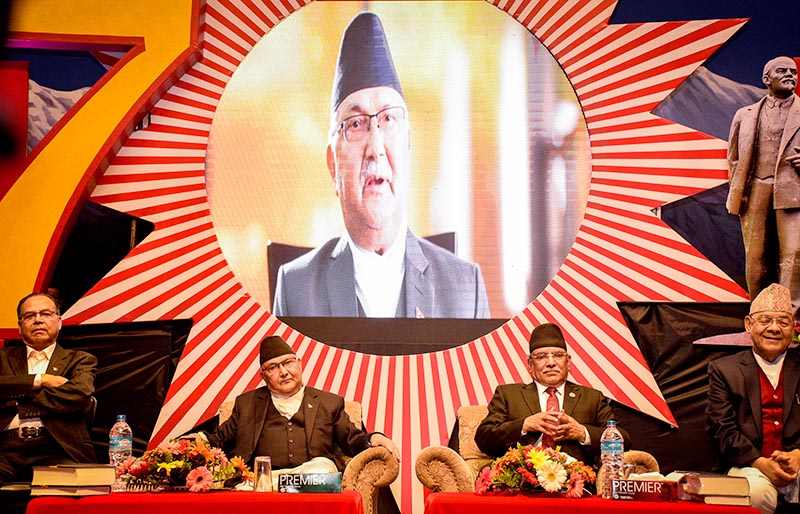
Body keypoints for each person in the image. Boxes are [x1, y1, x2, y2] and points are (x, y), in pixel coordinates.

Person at [272, 11, 490, 319]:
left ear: (409, 146)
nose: (376, 148)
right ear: (333, 165)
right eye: (356, 124)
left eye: (388, 118)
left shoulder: (467, 289)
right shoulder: (296, 288)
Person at [205, 335, 399, 482]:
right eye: (273, 367)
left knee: (324, 467)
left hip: (313, 481)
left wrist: (373, 438)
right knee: (252, 480)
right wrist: (192, 444)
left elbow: (353, 439)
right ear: (263, 375)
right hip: (264, 482)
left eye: (288, 363)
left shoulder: (328, 403)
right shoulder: (246, 404)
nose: (283, 372)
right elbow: (219, 440)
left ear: (299, 364)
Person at [474, 322, 628, 467]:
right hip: (520, 484)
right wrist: (524, 425)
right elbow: (483, 438)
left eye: (558, 355)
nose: (551, 363)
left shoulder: (592, 398)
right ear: (530, 364)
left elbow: (624, 439)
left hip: (576, 484)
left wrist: (582, 433)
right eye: (541, 357)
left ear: (568, 362)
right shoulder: (508, 395)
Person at [706, 283, 800, 514]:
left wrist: (798, 454)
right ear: (749, 324)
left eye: (783, 322)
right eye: (765, 320)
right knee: (756, 494)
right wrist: (760, 463)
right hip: (747, 465)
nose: (774, 328)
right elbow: (721, 428)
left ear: (794, 327)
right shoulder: (724, 370)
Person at [726, 56, 800, 320]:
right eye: (783, 71)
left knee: (794, 253)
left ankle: (790, 319)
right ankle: (759, 316)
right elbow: (733, 157)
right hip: (756, 188)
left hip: (794, 192)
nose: (791, 75)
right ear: (766, 79)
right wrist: (740, 191)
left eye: (794, 71)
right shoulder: (744, 115)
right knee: (756, 256)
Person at [0, 293, 98, 484]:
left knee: (71, 490)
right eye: (29, 316)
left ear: (59, 321)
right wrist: (39, 380)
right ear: (20, 327)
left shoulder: (80, 360)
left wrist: (18, 397)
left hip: (57, 447)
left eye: (45, 314)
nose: (38, 320)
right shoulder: (2, 359)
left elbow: (78, 396)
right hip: (5, 448)